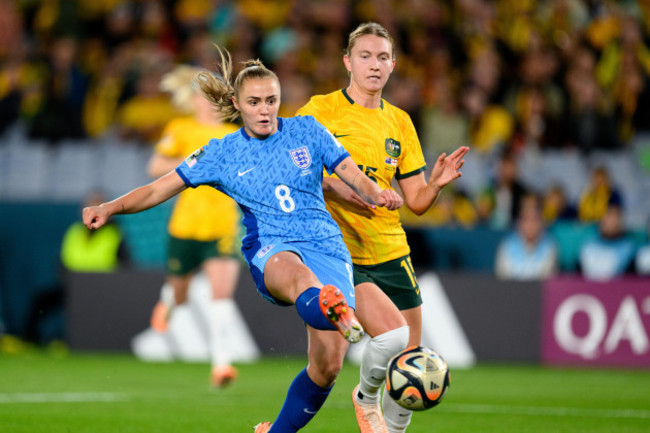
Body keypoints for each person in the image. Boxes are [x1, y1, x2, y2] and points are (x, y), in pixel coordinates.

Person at [82, 46, 409, 433]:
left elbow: (352, 175)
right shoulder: (221, 152)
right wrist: (111, 207)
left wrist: (378, 194)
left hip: (325, 244)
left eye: (271, 100)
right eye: (254, 102)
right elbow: (158, 189)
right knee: (300, 278)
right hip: (272, 247)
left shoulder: (307, 131)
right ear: (237, 103)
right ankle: (329, 307)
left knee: (327, 368)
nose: (265, 109)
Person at [297, 22, 468, 433]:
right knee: (372, 348)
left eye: (382, 58)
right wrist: (344, 192)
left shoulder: (401, 123)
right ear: (348, 62)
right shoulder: (320, 110)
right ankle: (363, 396)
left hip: (391, 249)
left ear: (393, 65)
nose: (374, 65)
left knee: (412, 365)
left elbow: (417, 202)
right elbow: (298, 172)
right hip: (341, 250)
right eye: (365, 56)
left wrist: (436, 185)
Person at [145, 64, 242, 388]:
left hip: (222, 225)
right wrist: (190, 164)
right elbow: (155, 165)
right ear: (194, 99)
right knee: (181, 293)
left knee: (221, 294)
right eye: (202, 96)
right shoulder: (181, 128)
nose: (207, 102)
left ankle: (221, 364)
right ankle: (169, 301)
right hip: (185, 226)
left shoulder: (234, 136)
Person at [61, 190, 127, 272]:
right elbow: (65, 261)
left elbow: (121, 264)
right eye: (91, 206)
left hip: (104, 280)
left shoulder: (114, 232)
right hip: (75, 279)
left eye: (98, 206)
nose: (94, 211)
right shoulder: (74, 230)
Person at [495, 194, 558, 280]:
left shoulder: (550, 247)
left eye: (535, 219)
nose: (530, 225)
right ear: (519, 222)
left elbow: (546, 280)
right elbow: (503, 280)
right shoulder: (506, 246)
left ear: (541, 222)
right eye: (526, 219)